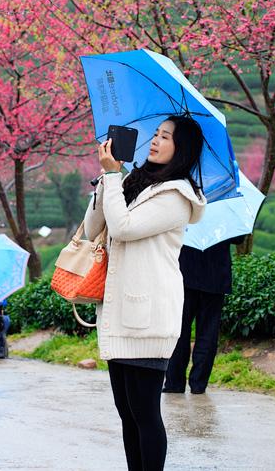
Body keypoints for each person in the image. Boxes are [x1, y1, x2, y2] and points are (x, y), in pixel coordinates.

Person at [84, 115, 206, 471]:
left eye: (165, 137)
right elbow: (93, 228)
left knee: (145, 412)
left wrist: (112, 177)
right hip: (120, 311)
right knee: (126, 412)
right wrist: (107, 180)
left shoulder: (177, 196)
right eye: (155, 134)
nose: (154, 141)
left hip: (149, 316)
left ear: (182, 149)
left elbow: (123, 228)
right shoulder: (134, 182)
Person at [163, 235, 245, 395]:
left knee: (179, 330)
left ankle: (174, 383)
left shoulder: (189, 216)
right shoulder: (226, 217)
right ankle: (199, 384)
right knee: (208, 331)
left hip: (185, 271)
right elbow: (239, 238)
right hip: (216, 274)